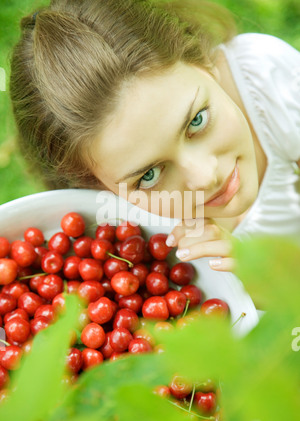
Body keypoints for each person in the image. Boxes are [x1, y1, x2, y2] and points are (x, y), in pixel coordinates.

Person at [9, 0, 300, 275]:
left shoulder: (267, 83)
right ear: (98, 186)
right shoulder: (133, 249)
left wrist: (273, 281)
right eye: (149, 176)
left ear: (204, 65)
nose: (204, 177)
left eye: (197, 121)